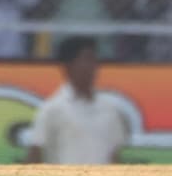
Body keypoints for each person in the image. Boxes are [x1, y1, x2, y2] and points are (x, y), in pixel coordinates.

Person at [25, 36, 130, 164]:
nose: (92, 66)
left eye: (94, 60)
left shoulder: (109, 108)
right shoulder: (52, 109)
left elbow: (114, 154)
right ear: (68, 66)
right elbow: (35, 153)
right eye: (87, 59)